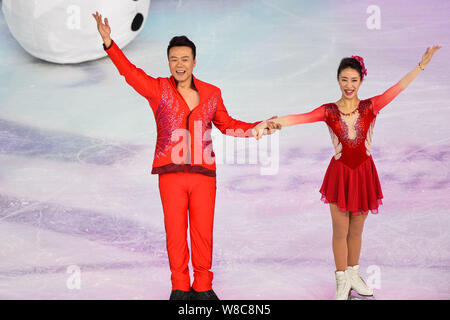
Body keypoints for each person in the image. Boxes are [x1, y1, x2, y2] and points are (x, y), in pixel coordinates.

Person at [92, 12, 280, 300]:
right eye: (174, 59)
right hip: (170, 175)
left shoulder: (212, 93)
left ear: (194, 62)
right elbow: (130, 73)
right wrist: (109, 43)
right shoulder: (158, 89)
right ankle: (180, 287)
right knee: (176, 234)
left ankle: (203, 287)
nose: (179, 64)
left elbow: (228, 125)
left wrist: (256, 128)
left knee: (203, 233)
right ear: (169, 62)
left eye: (184, 59)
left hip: (204, 175)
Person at [254, 46, 441, 299]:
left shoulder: (370, 107)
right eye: (344, 80)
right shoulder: (328, 111)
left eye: (354, 80)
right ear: (338, 80)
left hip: (364, 174)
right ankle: (341, 279)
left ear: (361, 81)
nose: (349, 85)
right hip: (340, 175)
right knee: (340, 230)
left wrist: (421, 66)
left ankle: (354, 274)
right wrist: (271, 123)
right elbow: (301, 118)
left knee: (356, 231)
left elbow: (396, 89)